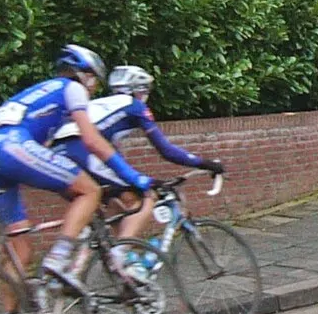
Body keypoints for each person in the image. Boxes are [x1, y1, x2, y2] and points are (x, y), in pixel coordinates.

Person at [0, 46, 150, 290]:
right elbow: (91, 140)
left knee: (20, 250)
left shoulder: (35, 94)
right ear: (86, 75)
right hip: (13, 146)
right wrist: (131, 175)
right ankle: (59, 258)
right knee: (90, 191)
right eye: (95, 83)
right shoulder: (72, 88)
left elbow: (41, 151)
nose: (94, 90)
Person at [48, 65, 224, 268]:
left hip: (57, 153)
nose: (145, 95)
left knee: (116, 203)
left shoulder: (102, 105)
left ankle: (88, 268)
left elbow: (114, 160)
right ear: (138, 90)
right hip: (80, 148)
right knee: (146, 197)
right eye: (144, 90)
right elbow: (166, 150)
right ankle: (120, 256)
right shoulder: (135, 106)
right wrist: (205, 163)